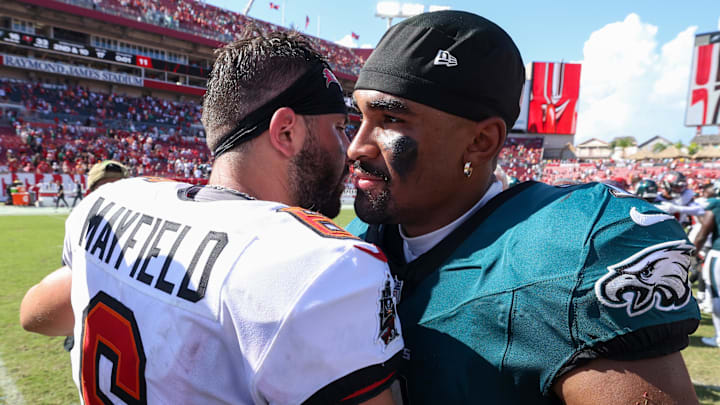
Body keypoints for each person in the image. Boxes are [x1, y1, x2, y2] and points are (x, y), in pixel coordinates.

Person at [20, 29, 403, 404]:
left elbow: (34, 314)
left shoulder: (113, 202)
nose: (350, 148)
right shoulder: (320, 267)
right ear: (285, 132)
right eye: (338, 128)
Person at [346, 11, 700, 404]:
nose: (356, 147)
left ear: (481, 142)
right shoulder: (353, 250)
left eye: (391, 119)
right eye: (359, 116)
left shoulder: (569, 254)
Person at [693, 189, 720, 348]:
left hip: (718, 253)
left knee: (717, 295)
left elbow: (704, 232)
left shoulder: (716, 204)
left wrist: (693, 252)